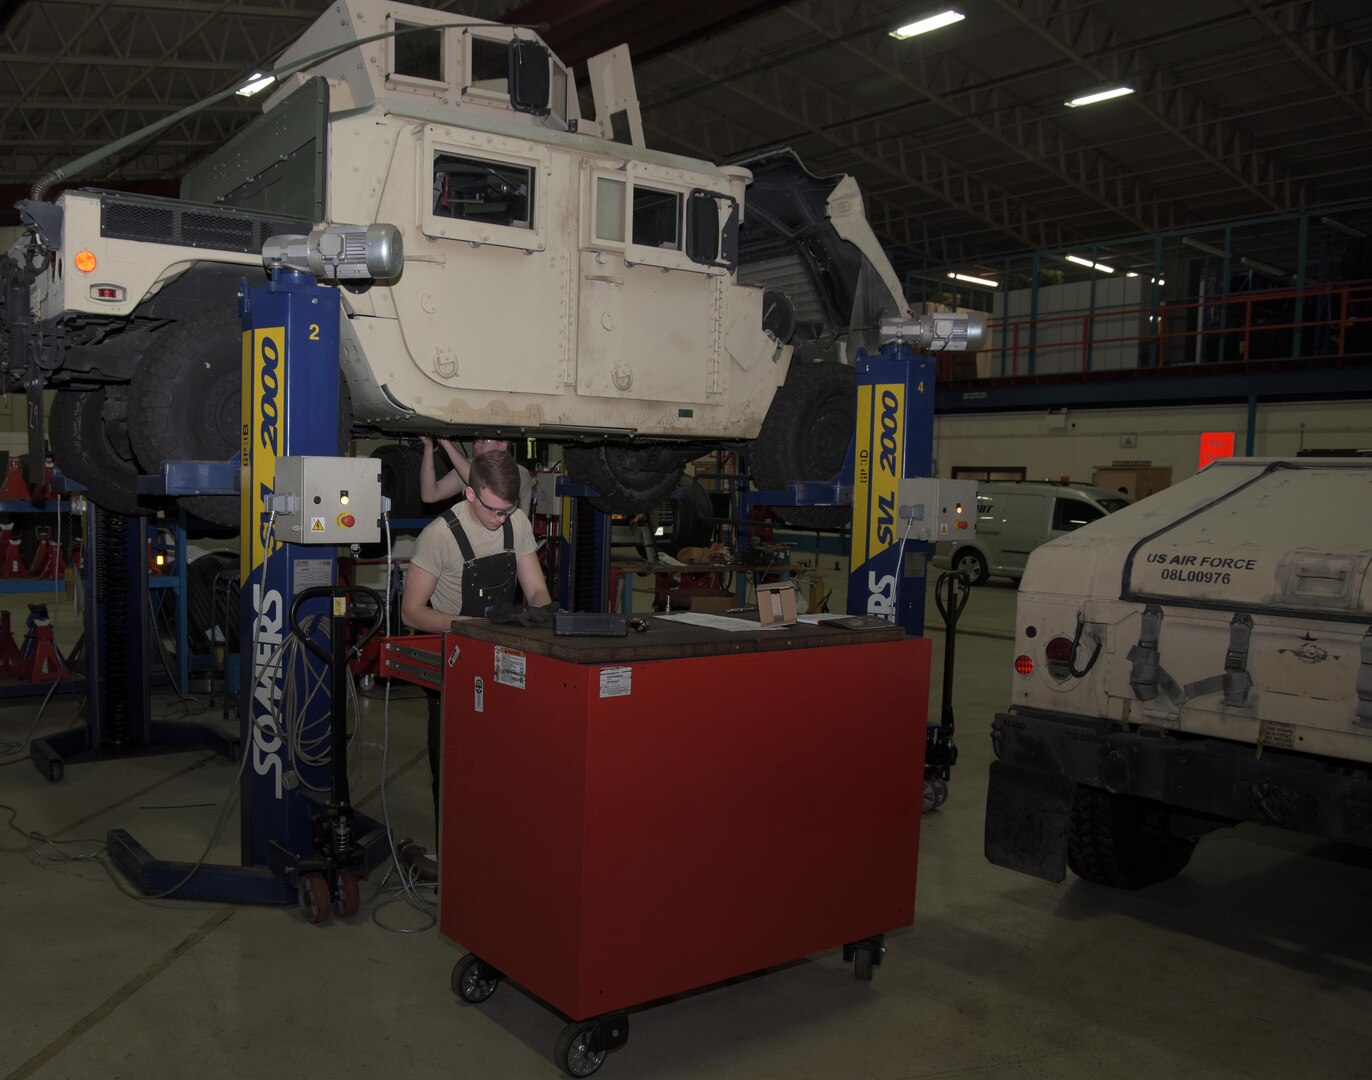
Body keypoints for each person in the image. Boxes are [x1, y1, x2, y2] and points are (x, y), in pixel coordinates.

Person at [401, 450, 551, 871]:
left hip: (504, 663)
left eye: (508, 511)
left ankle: (496, 855)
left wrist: (541, 613)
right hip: (458, 662)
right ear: (470, 493)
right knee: (454, 772)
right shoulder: (439, 535)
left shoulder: (515, 523)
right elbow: (411, 612)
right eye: (493, 511)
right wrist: (472, 625)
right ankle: (454, 861)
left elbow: (536, 589)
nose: (501, 520)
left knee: (505, 767)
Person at [419, 435, 533, 517]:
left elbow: (485, 485)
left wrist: (445, 442)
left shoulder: (519, 473)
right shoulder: (467, 468)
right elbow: (430, 495)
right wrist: (428, 446)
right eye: (475, 441)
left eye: (482, 440)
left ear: (503, 444)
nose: (476, 446)